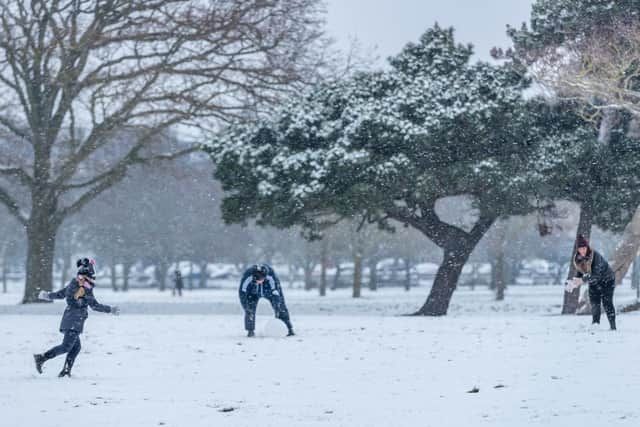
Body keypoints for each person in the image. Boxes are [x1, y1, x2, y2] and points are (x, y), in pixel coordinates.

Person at [33, 258, 120, 377]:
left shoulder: (74, 283)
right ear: (87, 275)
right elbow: (94, 306)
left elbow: (60, 294)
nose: (93, 278)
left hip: (71, 319)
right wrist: (110, 309)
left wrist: (47, 295)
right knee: (66, 347)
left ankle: (66, 371)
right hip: (74, 320)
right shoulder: (84, 287)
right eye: (92, 275)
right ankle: (42, 358)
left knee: (76, 347)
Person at [566, 235, 617, 330]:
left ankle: (613, 326)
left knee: (607, 302)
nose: (582, 251)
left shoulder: (595, 256)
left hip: (607, 280)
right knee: (594, 302)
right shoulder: (578, 258)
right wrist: (574, 281)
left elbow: (596, 274)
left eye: (584, 248)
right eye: (580, 249)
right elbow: (580, 271)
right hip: (593, 281)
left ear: (587, 247)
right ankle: (595, 324)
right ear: (578, 249)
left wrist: (582, 280)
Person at [239, 264, 294, 337]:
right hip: (252, 293)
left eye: (262, 279)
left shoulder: (271, 275)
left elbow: (275, 292)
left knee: (281, 307)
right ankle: (250, 331)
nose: (260, 281)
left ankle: (288, 329)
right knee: (249, 310)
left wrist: (277, 305)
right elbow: (242, 292)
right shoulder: (248, 275)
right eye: (258, 279)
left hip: (268, 291)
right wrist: (246, 306)